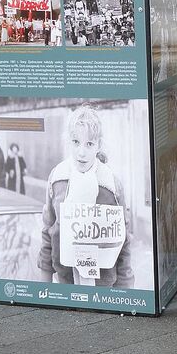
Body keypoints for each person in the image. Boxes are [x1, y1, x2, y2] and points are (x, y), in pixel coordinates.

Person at [38, 105, 134, 288]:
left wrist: (125, 289)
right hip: (65, 283)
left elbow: (124, 242)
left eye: (89, 144)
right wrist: (45, 283)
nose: (81, 152)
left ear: (98, 145)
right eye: (76, 142)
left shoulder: (111, 185)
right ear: (68, 141)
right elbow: (48, 231)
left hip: (103, 286)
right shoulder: (57, 179)